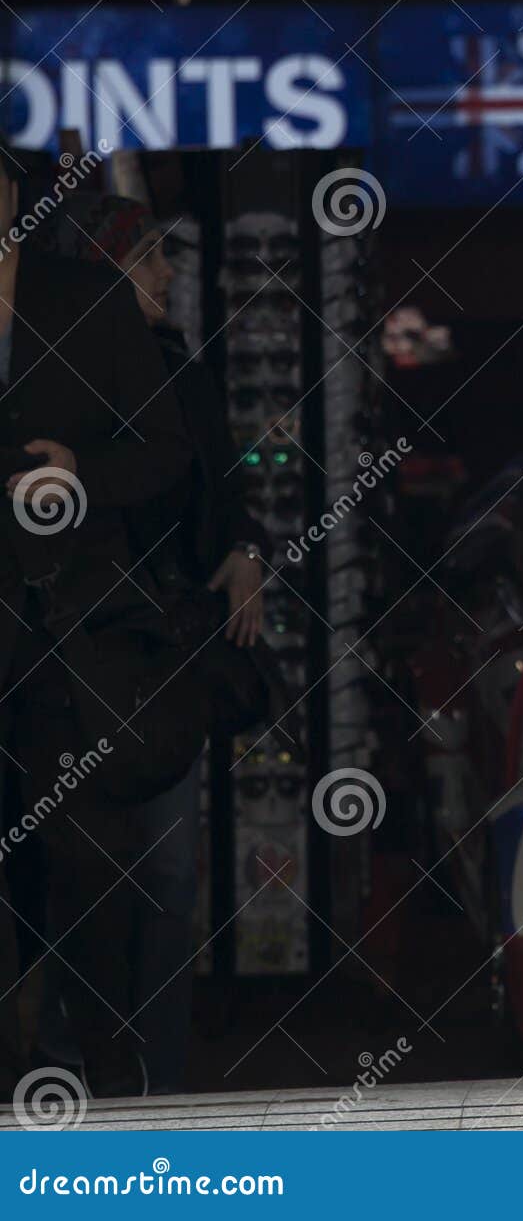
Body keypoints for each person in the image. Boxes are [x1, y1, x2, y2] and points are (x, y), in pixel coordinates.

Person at [62, 195, 272, 1094]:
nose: (166, 273)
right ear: (105, 272)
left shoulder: (177, 368)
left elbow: (222, 486)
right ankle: (81, 1069)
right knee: (81, 870)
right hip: (71, 655)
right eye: (147, 257)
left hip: (165, 651)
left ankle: (159, 1078)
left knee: (168, 868)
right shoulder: (57, 373)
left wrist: (246, 552)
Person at [0, 154, 191, 1099]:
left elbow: (167, 452)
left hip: (73, 637)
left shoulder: (82, 300)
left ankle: (112, 1082)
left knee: (92, 868)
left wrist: (82, 473)